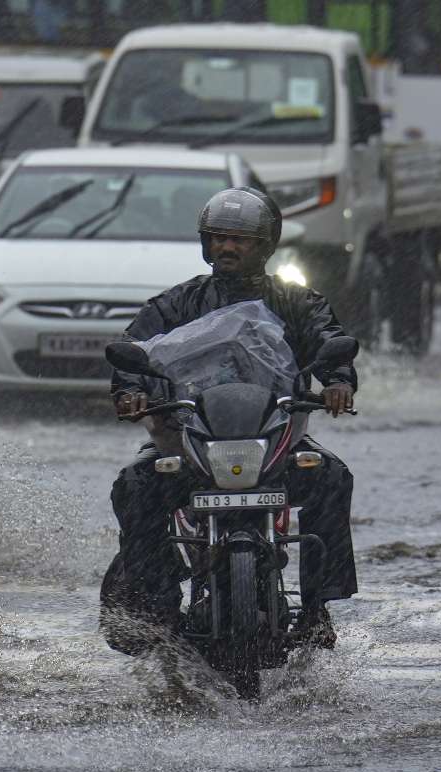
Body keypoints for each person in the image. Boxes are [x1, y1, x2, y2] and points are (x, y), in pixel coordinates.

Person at [101, 187, 359, 655]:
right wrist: (131, 390)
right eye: (218, 237)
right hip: (189, 442)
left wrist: (338, 380)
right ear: (205, 243)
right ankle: (157, 603)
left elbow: (330, 340)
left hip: (274, 442)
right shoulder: (176, 304)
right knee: (135, 485)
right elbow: (134, 348)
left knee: (331, 477)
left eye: (240, 239)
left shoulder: (298, 302)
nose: (227, 247)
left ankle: (318, 608)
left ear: (265, 245)